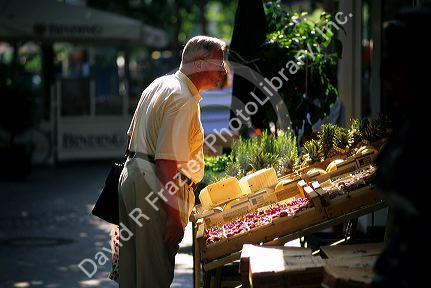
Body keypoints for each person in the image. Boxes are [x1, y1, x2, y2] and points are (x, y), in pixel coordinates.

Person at [111, 36, 227, 287]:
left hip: (134, 178)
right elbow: (166, 162)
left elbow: (132, 139)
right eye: (219, 63)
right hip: (153, 185)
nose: (223, 70)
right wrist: (174, 218)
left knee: (132, 277)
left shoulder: (160, 84)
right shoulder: (183, 97)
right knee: (154, 276)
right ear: (199, 64)